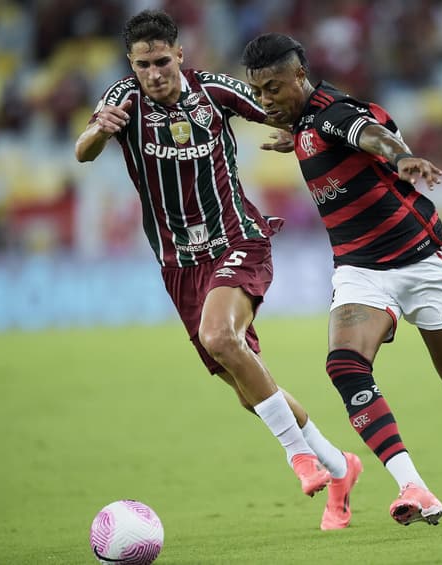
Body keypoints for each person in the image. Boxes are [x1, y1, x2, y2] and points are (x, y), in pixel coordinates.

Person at [241, 33, 442, 527]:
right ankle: (414, 486)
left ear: (301, 76)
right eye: (258, 92)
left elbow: (370, 134)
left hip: (421, 261)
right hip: (361, 271)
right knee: (344, 367)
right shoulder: (305, 124)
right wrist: (296, 136)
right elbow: (331, 138)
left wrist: (400, 156)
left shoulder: (334, 114)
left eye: (274, 87)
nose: (266, 100)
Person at [74, 10, 360, 531]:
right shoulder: (121, 101)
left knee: (219, 337)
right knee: (246, 386)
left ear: (180, 55)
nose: (155, 72)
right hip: (177, 264)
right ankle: (340, 467)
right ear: (131, 66)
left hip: (237, 240)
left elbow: (286, 107)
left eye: (163, 60)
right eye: (144, 64)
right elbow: (83, 151)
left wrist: (320, 128)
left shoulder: (214, 91)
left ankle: (299, 457)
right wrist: (99, 132)